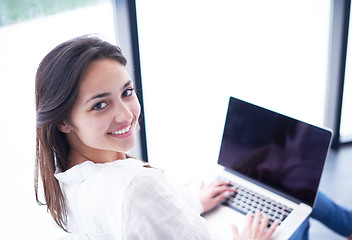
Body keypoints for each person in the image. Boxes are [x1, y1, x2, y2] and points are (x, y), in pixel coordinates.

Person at [34, 35, 351, 240]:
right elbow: (140, 207)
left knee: (291, 191)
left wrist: (192, 201)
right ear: (63, 120)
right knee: (300, 206)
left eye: (127, 92)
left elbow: (145, 224)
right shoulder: (134, 187)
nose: (126, 114)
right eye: (100, 104)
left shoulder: (66, 182)